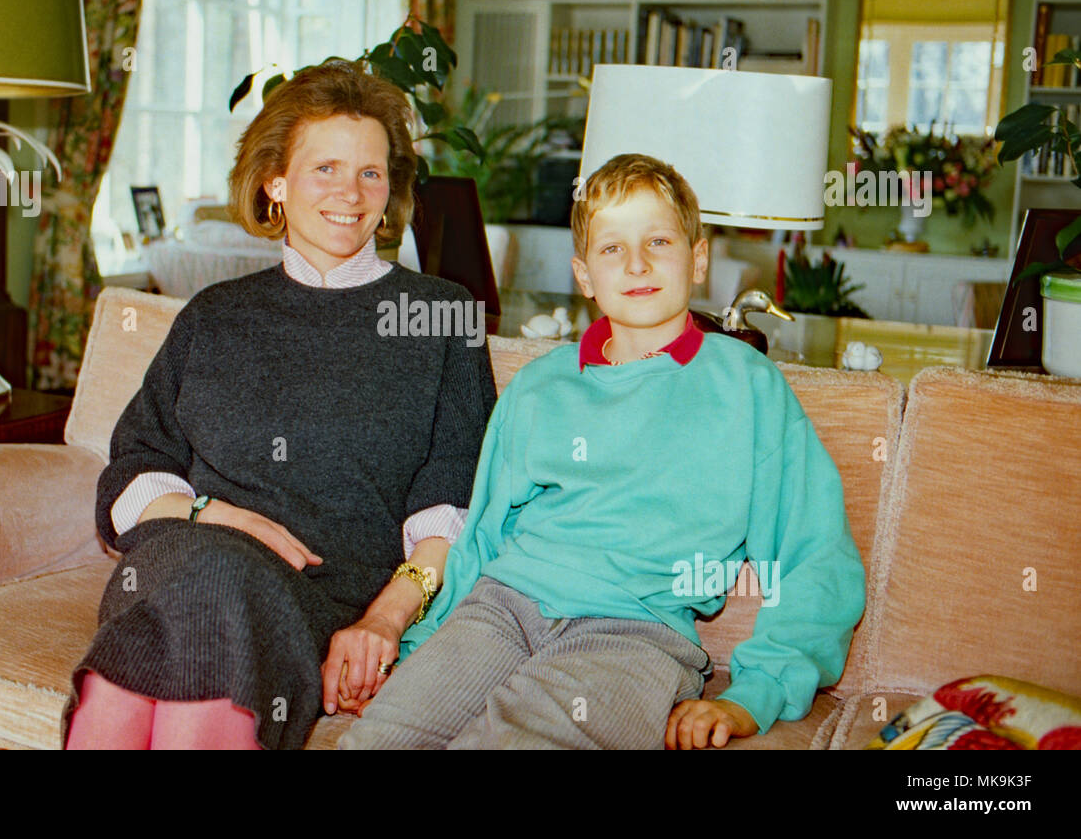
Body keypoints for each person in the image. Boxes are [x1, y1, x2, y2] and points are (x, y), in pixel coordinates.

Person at [341, 153, 867, 750]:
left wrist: (757, 691)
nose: (637, 263)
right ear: (584, 275)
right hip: (499, 609)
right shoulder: (541, 386)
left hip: (634, 634)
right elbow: (483, 536)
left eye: (659, 240)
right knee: (378, 741)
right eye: (612, 248)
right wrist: (415, 648)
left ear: (698, 258)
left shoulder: (746, 385)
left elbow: (814, 555)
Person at [63, 60, 496, 750]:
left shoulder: (442, 317)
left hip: (313, 598)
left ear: (390, 190)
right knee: (206, 568)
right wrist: (220, 515)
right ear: (276, 182)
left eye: (370, 172)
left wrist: (383, 619)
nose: (349, 194)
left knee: (187, 616)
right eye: (324, 168)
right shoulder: (213, 316)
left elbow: (456, 500)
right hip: (185, 564)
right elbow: (130, 474)